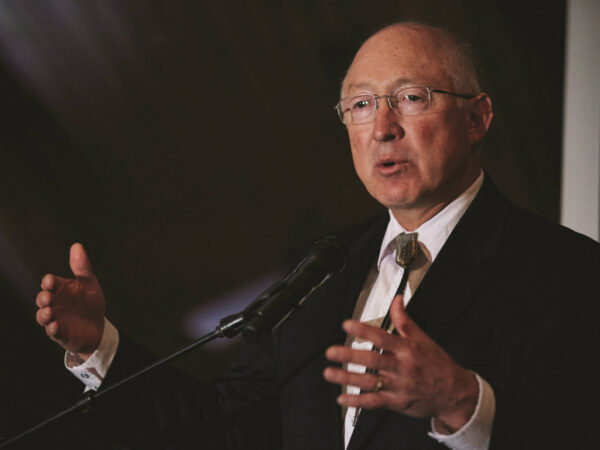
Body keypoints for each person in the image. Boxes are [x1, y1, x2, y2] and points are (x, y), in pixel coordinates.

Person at [34, 23, 598, 449]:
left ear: (477, 118)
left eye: (411, 97)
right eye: (361, 105)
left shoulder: (569, 271)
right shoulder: (323, 268)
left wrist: (463, 404)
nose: (383, 128)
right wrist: (98, 346)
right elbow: (224, 426)